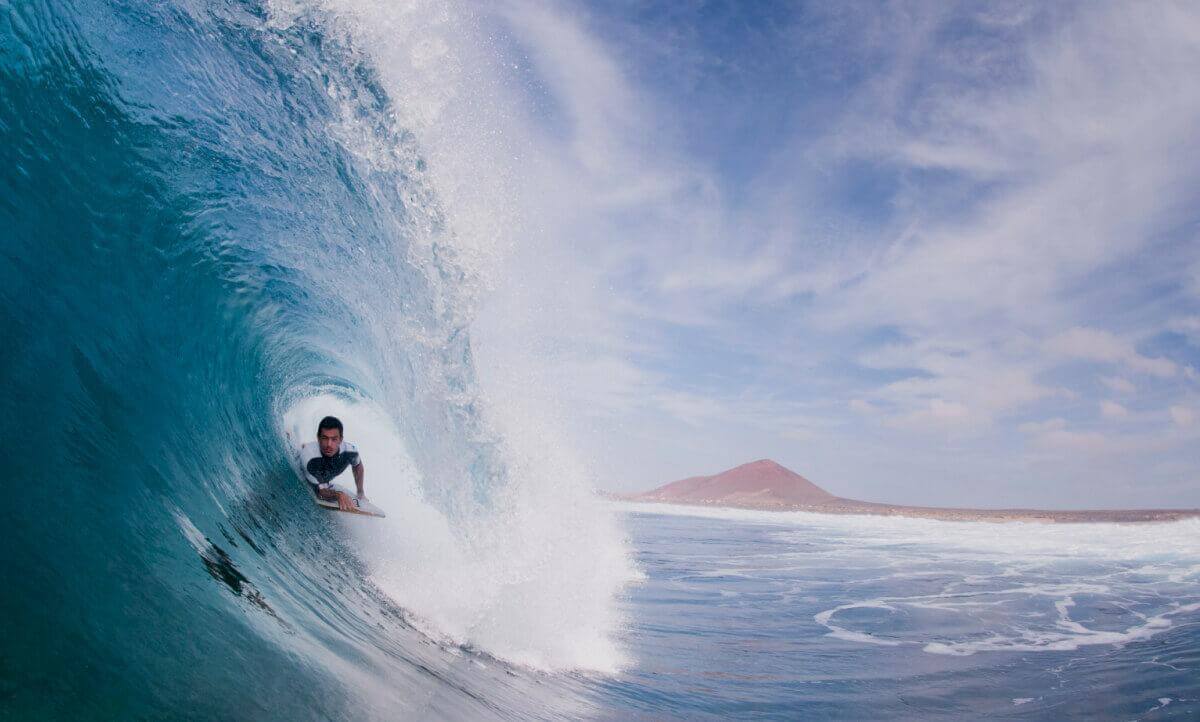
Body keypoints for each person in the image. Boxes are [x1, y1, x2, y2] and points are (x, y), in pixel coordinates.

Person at [298, 416, 366, 512]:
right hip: (305, 468)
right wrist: (338, 495)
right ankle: (299, 445)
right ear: (318, 438)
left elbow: (358, 466)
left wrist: (360, 492)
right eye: (325, 438)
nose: (329, 444)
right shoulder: (310, 460)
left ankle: (303, 444)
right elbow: (321, 493)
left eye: (334, 439)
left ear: (341, 439)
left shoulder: (350, 452)